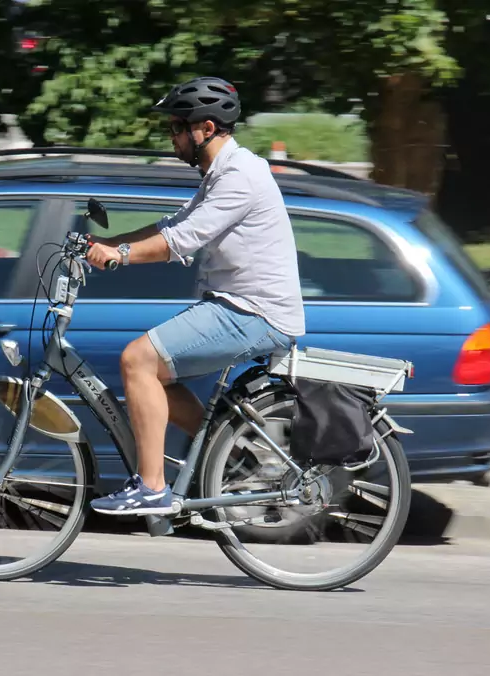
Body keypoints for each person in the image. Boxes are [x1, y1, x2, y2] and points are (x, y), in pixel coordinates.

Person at [85, 76, 307, 516]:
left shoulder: (241, 176)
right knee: (155, 375)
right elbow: (172, 224)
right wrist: (99, 243)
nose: (172, 138)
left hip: (255, 313)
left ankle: (151, 487)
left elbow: (183, 239)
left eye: (176, 127)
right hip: (236, 306)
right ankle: (229, 450)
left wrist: (120, 257)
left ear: (204, 129)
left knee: (137, 360)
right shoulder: (221, 173)